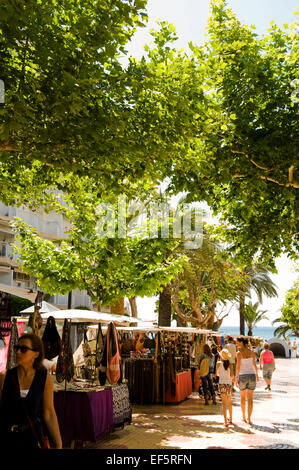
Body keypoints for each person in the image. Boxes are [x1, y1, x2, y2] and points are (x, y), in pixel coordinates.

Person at [0, 333, 62, 449]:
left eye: (23, 349)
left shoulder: (44, 378)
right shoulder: (4, 377)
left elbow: (49, 413)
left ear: (36, 354)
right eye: (16, 348)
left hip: (32, 439)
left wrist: (59, 444)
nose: (18, 352)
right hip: (7, 439)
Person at [235, 337, 259, 425]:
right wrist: (256, 374)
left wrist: (236, 377)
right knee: (250, 399)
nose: (236, 344)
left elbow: (238, 366)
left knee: (242, 398)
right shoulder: (252, 352)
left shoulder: (238, 353)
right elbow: (254, 365)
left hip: (242, 376)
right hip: (252, 375)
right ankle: (249, 419)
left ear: (241, 343)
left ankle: (244, 417)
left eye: (237, 342)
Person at [214, 348, 235, 427]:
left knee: (224, 404)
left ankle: (225, 421)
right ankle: (231, 419)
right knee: (229, 403)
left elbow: (216, 374)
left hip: (222, 384)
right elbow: (232, 376)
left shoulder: (218, 363)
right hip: (229, 384)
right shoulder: (230, 364)